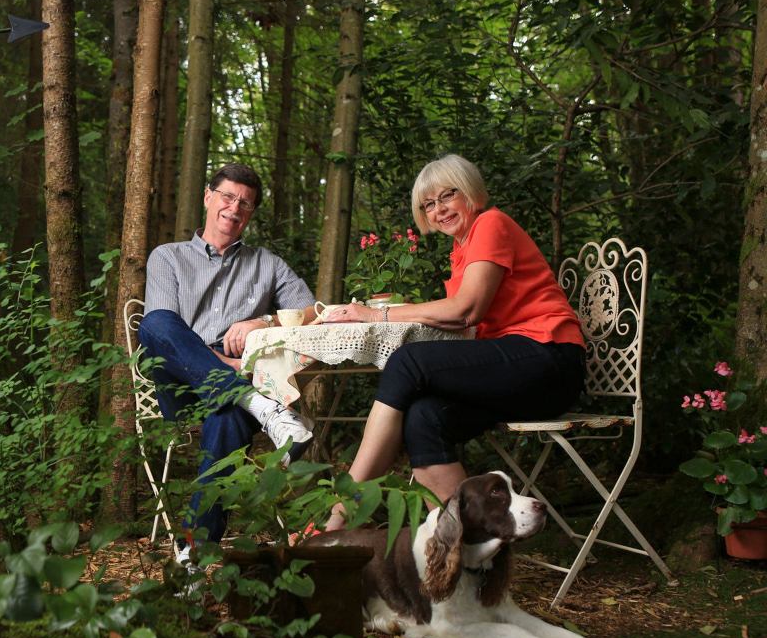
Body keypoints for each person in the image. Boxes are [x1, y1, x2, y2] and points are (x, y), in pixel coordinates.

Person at [322, 154, 585, 530]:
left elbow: (466, 312)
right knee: (423, 417)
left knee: (407, 361)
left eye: (448, 196)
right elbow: (467, 326)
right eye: (428, 204)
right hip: (518, 368)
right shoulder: (462, 247)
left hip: (549, 360)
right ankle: (462, 545)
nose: (439, 209)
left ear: (471, 193)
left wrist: (375, 314)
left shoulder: (491, 223)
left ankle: (340, 514)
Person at [138, 162, 318, 555]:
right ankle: (260, 405)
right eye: (227, 197)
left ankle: (193, 553)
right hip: (179, 388)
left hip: (229, 395)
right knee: (155, 323)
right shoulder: (167, 257)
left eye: (246, 203)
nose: (234, 208)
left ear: (251, 213)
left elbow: (313, 312)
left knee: (227, 417)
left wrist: (263, 320)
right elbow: (163, 333)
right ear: (208, 197)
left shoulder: (266, 264)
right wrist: (231, 368)